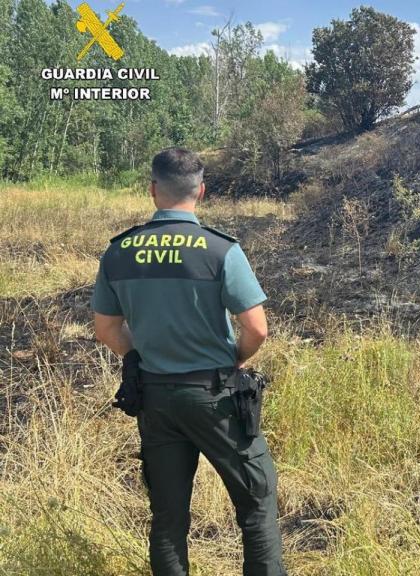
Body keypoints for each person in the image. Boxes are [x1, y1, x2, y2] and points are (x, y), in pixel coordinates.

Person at [91, 147, 287, 576]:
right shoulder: (220, 250)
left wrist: (135, 357)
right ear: (201, 190)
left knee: (167, 519)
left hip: (155, 398)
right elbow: (257, 329)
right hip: (215, 396)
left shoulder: (120, 251)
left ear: (153, 190)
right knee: (256, 505)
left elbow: (105, 329)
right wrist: (234, 359)